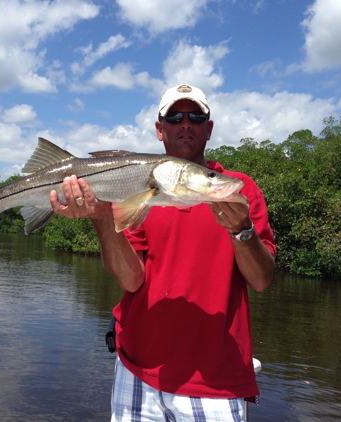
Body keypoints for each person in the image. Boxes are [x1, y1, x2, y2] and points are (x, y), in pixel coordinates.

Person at [50, 83, 276, 421]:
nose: (186, 123)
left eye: (197, 116)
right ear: (160, 129)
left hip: (214, 381)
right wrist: (99, 217)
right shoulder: (135, 196)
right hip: (136, 370)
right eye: (174, 116)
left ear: (209, 128)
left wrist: (241, 230)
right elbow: (130, 280)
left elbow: (261, 280)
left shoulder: (241, 191)